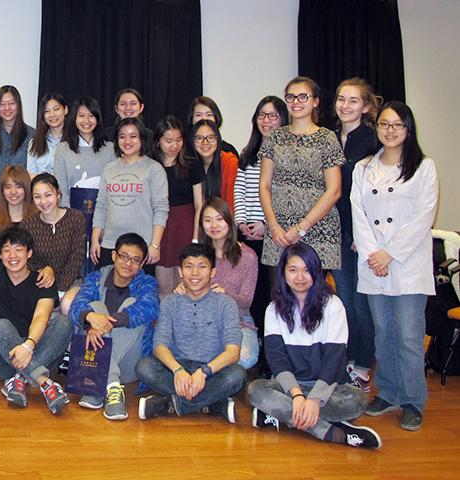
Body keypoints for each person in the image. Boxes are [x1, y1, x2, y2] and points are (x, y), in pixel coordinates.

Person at [352, 101, 438, 432]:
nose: (390, 130)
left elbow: (423, 217)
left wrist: (390, 253)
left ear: (408, 130)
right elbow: (359, 214)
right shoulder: (363, 168)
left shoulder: (424, 167)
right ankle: (387, 393)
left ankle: (413, 400)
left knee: (408, 336)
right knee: (383, 333)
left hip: (407, 265)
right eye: (385, 124)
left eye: (397, 125)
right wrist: (374, 254)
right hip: (373, 265)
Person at [246, 243, 381, 448]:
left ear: (317, 272)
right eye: (293, 270)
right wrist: (298, 396)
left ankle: (279, 414)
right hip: (288, 388)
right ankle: (330, 432)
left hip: (326, 387)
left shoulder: (332, 305)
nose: (300, 277)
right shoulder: (274, 309)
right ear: (283, 273)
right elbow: (277, 360)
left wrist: (314, 399)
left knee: (358, 400)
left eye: (306, 270)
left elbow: (334, 360)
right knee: (256, 390)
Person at [136, 243, 245, 424]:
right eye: (189, 267)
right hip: (178, 368)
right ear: (180, 272)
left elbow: (233, 352)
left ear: (212, 272)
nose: (194, 273)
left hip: (212, 370)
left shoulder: (225, 303)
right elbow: (159, 345)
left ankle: (169, 404)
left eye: (202, 267)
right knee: (144, 367)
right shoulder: (170, 302)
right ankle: (211, 404)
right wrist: (178, 370)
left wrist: (203, 372)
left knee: (237, 375)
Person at [0, 227, 72, 414]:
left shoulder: (43, 281)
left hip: (35, 352)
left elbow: (42, 316)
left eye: (18, 249)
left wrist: (28, 347)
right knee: (0, 325)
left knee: (65, 323)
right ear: (0, 255)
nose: (12, 255)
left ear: (29, 253)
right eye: (7, 250)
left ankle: (19, 380)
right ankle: (43, 382)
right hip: (1, 360)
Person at [69, 233, 159, 420]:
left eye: (135, 260)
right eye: (124, 256)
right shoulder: (96, 278)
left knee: (133, 309)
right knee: (94, 308)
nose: (128, 263)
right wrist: (91, 317)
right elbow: (76, 307)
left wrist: (105, 323)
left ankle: (97, 387)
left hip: (129, 364)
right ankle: (111, 386)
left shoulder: (147, 283)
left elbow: (150, 308)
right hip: (90, 363)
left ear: (142, 264)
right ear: (114, 256)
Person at [260, 76, 345, 271]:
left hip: (317, 229)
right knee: (281, 296)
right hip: (279, 232)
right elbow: (264, 186)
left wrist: (301, 228)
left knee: (314, 298)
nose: (296, 102)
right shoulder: (275, 137)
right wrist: (273, 226)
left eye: (302, 97)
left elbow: (334, 191)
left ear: (315, 102)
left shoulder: (327, 138)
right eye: (290, 97)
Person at [333, 78, 381, 391]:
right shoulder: (327, 137)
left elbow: (372, 195)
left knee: (360, 304)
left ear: (365, 107)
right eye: (341, 99)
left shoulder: (374, 141)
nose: (345, 106)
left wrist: (359, 233)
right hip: (331, 231)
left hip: (359, 233)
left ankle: (362, 366)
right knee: (342, 300)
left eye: (353, 100)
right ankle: (346, 361)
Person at [171, 198, 260, 369]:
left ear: (229, 221)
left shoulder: (247, 256)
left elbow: (247, 301)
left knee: (245, 358)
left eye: (219, 219)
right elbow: (188, 290)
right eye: (207, 220)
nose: (214, 225)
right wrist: (182, 288)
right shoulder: (196, 254)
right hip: (199, 320)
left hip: (237, 321)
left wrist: (226, 294)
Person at [236, 96, 288, 337]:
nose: (266, 121)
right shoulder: (248, 153)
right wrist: (241, 223)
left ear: (283, 119)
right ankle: (257, 342)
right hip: (249, 235)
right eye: (261, 115)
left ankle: (273, 347)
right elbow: (241, 190)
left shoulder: (287, 154)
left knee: (274, 293)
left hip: (274, 235)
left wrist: (266, 225)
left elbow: (285, 196)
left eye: (272, 115)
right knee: (254, 294)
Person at [90, 117, 168, 274]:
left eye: (133, 136)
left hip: (142, 245)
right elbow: (101, 205)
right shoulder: (109, 169)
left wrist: (155, 245)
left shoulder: (154, 168)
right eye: (122, 136)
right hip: (110, 244)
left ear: (142, 139)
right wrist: (95, 239)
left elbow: (161, 209)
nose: (127, 141)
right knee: (105, 293)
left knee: (139, 295)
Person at [53, 97, 115, 275]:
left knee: (101, 274)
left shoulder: (110, 149)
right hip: (73, 221)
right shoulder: (63, 149)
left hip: (104, 223)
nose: (86, 121)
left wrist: (103, 224)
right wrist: (69, 224)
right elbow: (61, 188)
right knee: (75, 273)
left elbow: (111, 190)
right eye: (81, 116)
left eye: (91, 116)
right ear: (74, 118)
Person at [153, 115, 203, 298]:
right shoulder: (151, 165)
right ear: (158, 141)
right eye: (168, 141)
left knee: (185, 282)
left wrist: (196, 238)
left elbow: (199, 204)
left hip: (185, 223)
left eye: (178, 140)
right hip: (161, 225)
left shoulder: (191, 164)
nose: (174, 145)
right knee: (164, 284)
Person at [23, 173, 85, 314]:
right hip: (41, 280)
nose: (43, 201)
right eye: (37, 197)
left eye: (48, 195)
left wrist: (59, 289)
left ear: (57, 194)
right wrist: (44, 269)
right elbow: (27, 259)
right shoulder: (27, 225)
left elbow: (77, 257)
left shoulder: (75, 218)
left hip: (71, 281)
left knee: (67, 305)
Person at [0, 165, 37, 259]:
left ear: (27, 189)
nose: (13, 192)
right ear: (2, 191)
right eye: (8, 187)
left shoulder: (38, 220)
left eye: (18, 187)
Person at [192, 119, 238, 211]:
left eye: (211, 137)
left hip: (226, 221)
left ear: (218, 139)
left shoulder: (230, 163)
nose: (205, 142)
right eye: (199, 138)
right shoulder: (190, 165)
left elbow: (232, 206)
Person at [26, 93, 68, 176]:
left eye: (56, 109)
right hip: (41, 188)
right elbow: (30, 175)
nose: (52, 115)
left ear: (65, 109)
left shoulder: (75, 140)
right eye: (47, 111)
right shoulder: (35, 142)